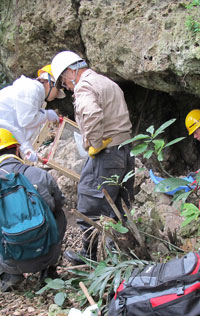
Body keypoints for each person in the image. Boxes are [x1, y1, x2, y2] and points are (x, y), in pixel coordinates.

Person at [50, 50, 135, 264]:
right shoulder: (107, 82)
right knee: (118, 204)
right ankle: (120, 256)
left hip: (106, 154)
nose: (67, 88)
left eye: (64, 82)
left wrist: (94, 143)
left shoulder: (84, 86)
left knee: (90, 203)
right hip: (124, 151)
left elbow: (92, 113)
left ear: (70, 72)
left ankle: (89, 256)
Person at [0, 128, 67, 292]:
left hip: (10, 259)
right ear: (17, 150)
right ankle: (49, 269)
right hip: (46, 251)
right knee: (59, 214)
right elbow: (59, 204)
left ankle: (7, 274)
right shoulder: (39, 175)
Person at [0, 64, 65, 162]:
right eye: (57, 90)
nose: (56, 95)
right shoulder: (32, 90)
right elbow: (26, 121)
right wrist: (46, 115)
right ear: (49, 83)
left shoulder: (33, 91)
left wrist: (26, 148)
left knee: (14, 164)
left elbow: (18, 125)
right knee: (9, 165)